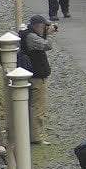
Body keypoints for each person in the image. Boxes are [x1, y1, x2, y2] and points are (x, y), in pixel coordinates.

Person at [22, 15, 57, 146]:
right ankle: (37, 137)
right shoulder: (31, 37)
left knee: (34, 107)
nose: (46, 28)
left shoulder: (29, 33)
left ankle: (34, 134)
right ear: (38, 26)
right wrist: (49, 35)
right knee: (38, 108)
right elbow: (47, 45)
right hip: (37, 78)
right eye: (44, 26)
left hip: (35, 76)